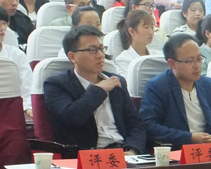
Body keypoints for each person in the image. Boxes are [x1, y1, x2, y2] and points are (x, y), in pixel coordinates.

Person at [44, 26, 146, 154]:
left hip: (123, 152)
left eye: (101, 49)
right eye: (92, 50)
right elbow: (72, 118)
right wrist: (99, 90)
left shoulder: (116, 81)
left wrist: (133, 150)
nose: (100, 55)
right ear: (72, 57)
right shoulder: (56, 84)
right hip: (87, 156)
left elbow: (135, 124)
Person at [139, 34, 211, 149]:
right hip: (176, 150)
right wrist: (189, 137)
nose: (197, 66)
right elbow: (149, 125)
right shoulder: (157, 86)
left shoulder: (207, 84)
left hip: (208, 149)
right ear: (172, 63)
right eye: (190, 61)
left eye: (199, 59)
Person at [113, 10, 157, 76]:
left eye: (152, 27)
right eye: (146, 27)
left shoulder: (157, 55)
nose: (151, 32)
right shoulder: (123, 60)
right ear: (131, 31)